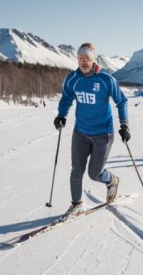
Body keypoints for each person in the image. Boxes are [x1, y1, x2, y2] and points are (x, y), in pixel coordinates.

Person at [54, 43, 130, 214]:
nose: (84, 62)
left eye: (87, 59)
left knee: (95, 174)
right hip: (80, 132)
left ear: (94, 60)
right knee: (76, 171)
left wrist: (124, 124)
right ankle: (76, 204)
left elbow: (121, 101)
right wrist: (61, 115)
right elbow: (66, 99)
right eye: (80, 59)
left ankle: (112, 181)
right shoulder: (73, 79)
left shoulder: (106, 79)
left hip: (103, 133)